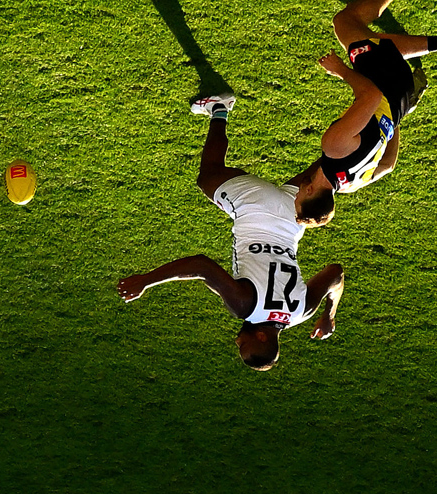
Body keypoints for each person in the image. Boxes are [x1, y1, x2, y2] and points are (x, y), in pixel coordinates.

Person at [116, 95, 343, 369]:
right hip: (254, 205)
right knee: (208, 176)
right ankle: (218, 107)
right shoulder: (244, 306)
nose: (237, 341)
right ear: (261, 336)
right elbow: (201, 265)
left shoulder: (302, 311)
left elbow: (335, 274)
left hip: (293, 216)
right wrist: (146, 280)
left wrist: (329, 314)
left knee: (329, 163)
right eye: (243, 347)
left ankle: (376, 119)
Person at [289, 0, 437, 223]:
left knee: (375, 42)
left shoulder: (350, 185)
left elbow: (387, 165)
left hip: (399, 99)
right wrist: (339, 71)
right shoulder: (333, 148)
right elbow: (369, 96)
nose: (294, 197)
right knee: (345, 24)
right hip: (383, 84)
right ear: (310, 191)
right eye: (298, 201)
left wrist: (392, 122)